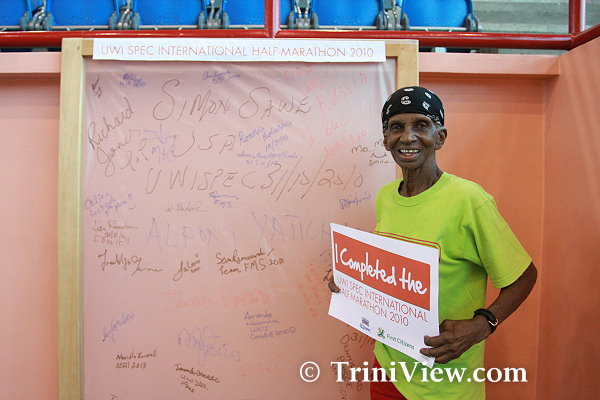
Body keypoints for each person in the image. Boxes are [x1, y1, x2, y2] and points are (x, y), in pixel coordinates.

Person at [329, 86, 537, 400]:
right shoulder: (386, 197)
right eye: (396, 127)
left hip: (445, 383)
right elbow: (394, 275)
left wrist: (484, 324)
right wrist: (352, 281)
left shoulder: (469, 199)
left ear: (440, 137)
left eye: (421, 125)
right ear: (385, 139)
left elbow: (524, 275)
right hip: (388, 369)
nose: (407, 137)